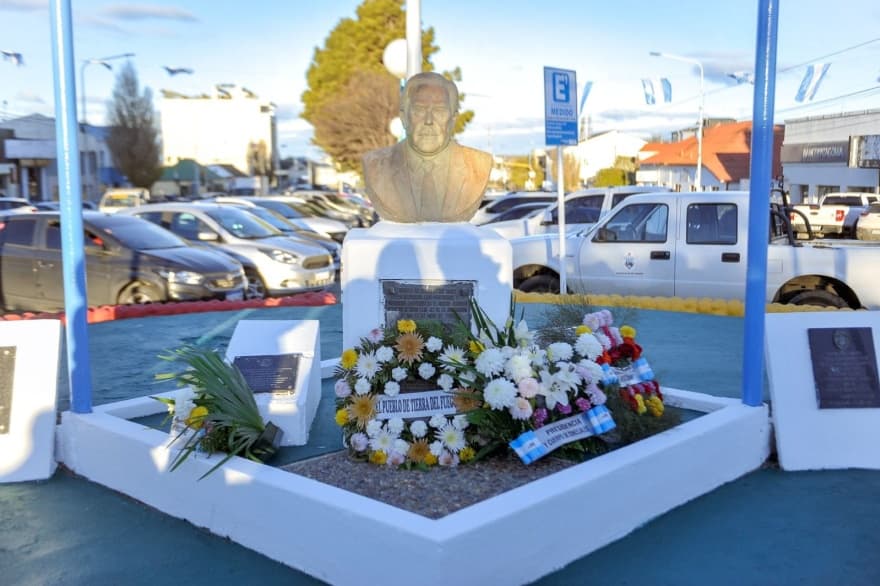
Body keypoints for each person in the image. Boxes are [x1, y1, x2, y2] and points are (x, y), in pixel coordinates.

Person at [362, 72, 492, 223]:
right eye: (419, 110)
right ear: (404, 118)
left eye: (439, 111)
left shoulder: (478, 166)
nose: (429, 121)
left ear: (452, 120)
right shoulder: (376, 165)